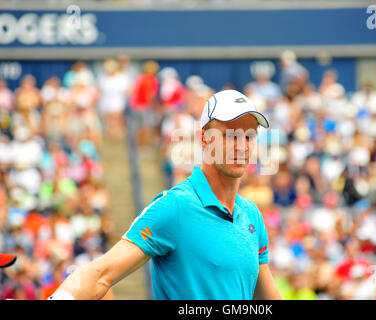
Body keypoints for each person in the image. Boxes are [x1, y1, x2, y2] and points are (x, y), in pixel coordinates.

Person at [49, 89, 282, 300]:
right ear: (204, 139)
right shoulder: (176, 205)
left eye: (249, 136)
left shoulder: (252, 215)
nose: (241, 145)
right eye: (229, 135)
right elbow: (100, 274)